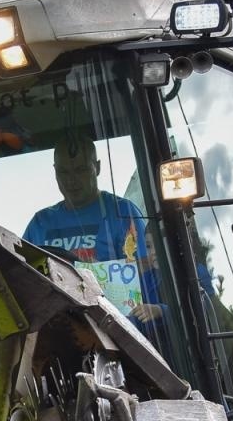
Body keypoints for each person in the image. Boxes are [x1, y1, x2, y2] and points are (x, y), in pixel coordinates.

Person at [22, 138, 165, 336]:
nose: (71, 180)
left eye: (80, 170)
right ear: (54, 171)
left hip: (116, 332)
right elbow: (23, 277)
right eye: (63, 172)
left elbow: (149, 269)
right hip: (57, 332)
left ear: (97, 167)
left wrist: (98, 275)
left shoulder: (123, 213)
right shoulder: (40, 223)